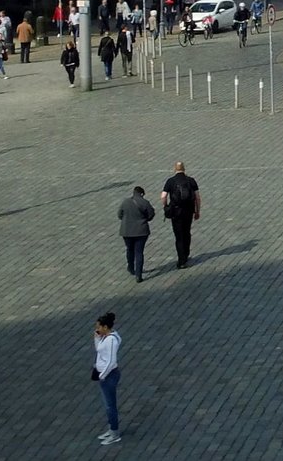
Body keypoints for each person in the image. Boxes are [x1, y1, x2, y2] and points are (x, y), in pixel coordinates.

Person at [160, 162, 200, 269]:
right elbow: (197, 197)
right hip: (188, 211)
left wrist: (165, 206)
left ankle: (181, 260)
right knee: (187, 232)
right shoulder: (191, 180)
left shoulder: (171, 181)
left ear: (175, 169)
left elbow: (163, 196)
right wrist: (197, 211)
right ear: (184, 169)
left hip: (176, 212)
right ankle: (186, 254)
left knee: (179, 236)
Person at [92, 311, 122, 445]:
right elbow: (99, 350)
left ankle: (114, 433)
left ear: (105, 327)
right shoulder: (105, 337)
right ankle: (111, 430)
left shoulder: (111, 341)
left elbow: (110, 361)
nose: (97, 329)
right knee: (108, 405)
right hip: (105, 375)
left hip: (109, 376)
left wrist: (102, 375)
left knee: (110, 406)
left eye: (99, 327)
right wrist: (97, 338)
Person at [117, 186, 155, 283]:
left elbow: (119, 215)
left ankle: (130, 267)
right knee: (139, 252)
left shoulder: (125, 202)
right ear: (142, 194)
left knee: (129, 249)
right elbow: (151, 215)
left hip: (127, 231)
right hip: (141, 231)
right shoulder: (145, 202)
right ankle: (138, 275)